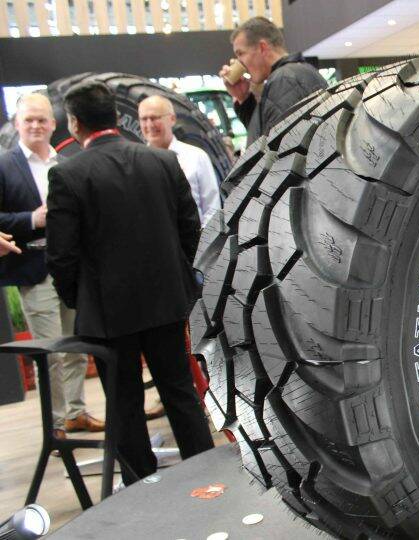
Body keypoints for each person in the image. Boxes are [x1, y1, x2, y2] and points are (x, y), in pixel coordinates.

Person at [46, 81, 215, 484]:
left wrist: (79, 300)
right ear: (115, 117)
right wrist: (180, 282)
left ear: (74, 123)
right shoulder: (163, 162)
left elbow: (61, 255)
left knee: (123, 404)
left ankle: (142, 486)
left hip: (107, 312)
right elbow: (191, 230)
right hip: (166, 301)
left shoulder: (68, 174)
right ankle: (208, 479)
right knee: (180, 392)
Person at [0, 94, 104, 442]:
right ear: (17, 123)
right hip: (33, 269)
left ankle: (75, 413)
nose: (35, 125)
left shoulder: (66, 163)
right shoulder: (5, 165)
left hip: (71, 269)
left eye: (42, 119)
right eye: (29, 119)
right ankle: (56, 425)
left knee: (77, 346)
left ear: (53, 124)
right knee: (51, 353)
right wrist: (32, 219)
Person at [219, 16, 327, 146]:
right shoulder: (295, 73)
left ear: (262, 48)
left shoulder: (284, 79)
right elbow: (263, 138)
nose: (239, 63)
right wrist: (244, 99)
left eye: (240, 53)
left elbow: (277, 150)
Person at [139, 95, 221, 226]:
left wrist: (202, 238)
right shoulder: (137, 163)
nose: (149, 124)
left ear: (172, 119)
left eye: (155, 118)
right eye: (144, 119)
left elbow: (212, 209)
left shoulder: (197, 157)